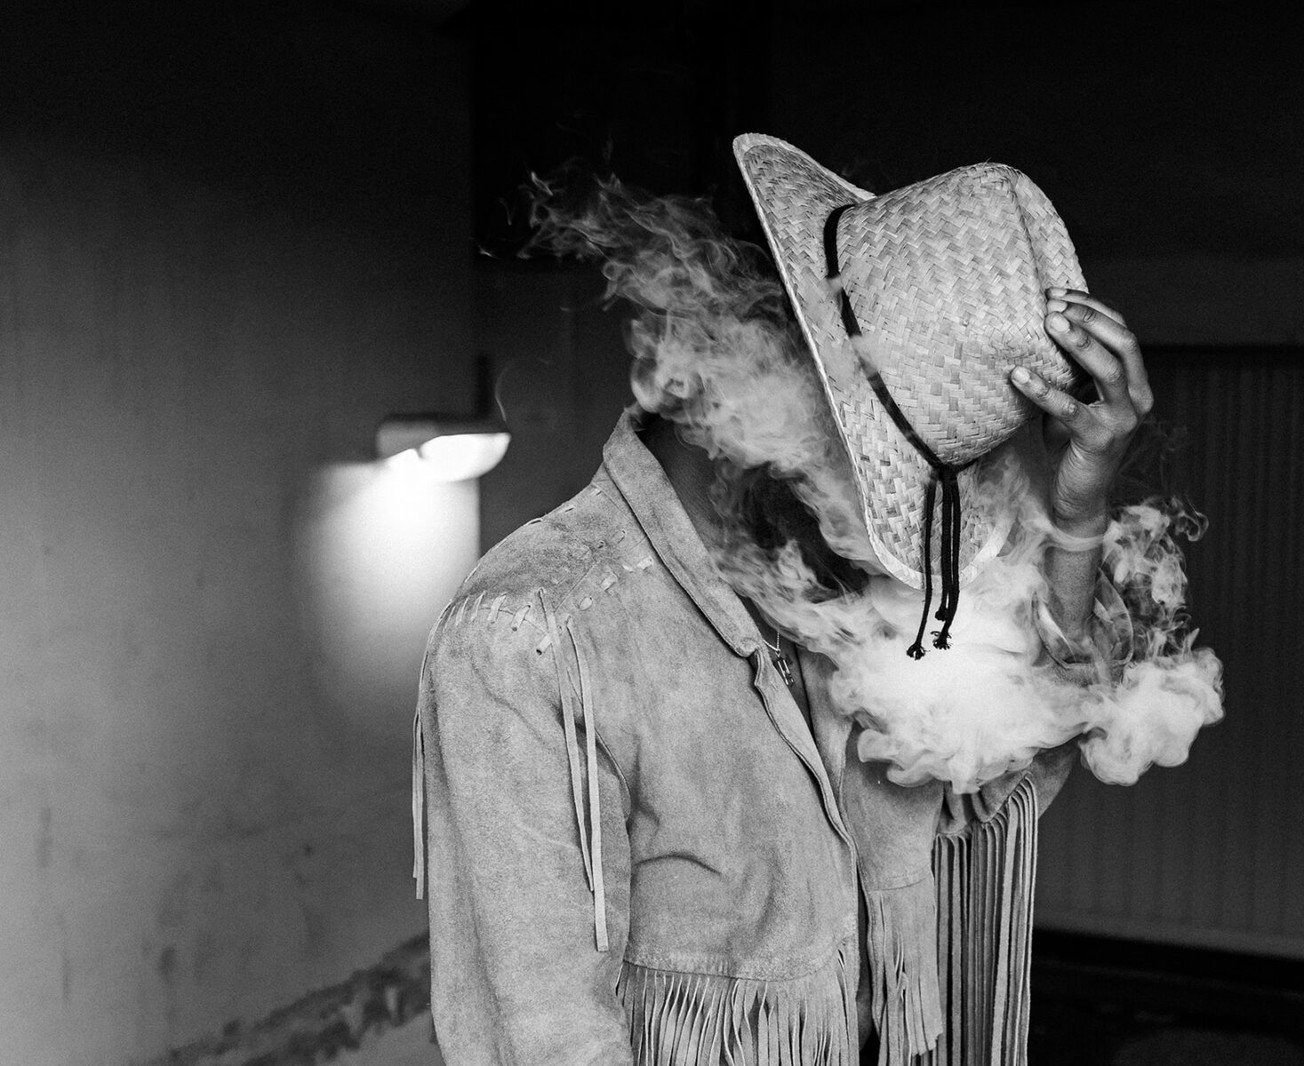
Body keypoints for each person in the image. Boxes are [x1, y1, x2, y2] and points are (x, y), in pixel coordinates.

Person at [411, 135, 1196, 1066]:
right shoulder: (532, 637)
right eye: (860, 447)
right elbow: (542, 1039)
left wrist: (1078, 511)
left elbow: (1001, 775)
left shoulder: (824, 591)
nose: (872, 495)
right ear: (709, 364)